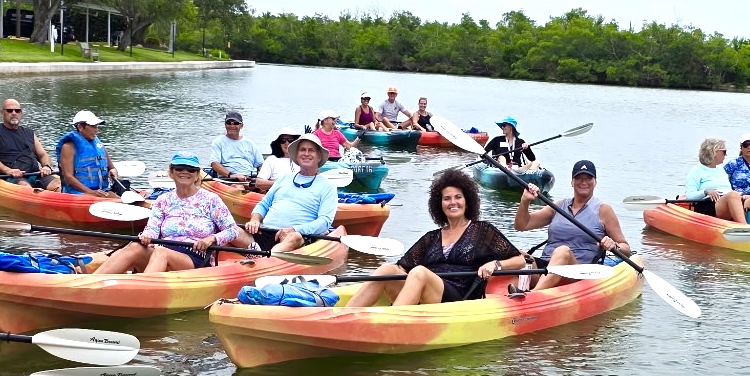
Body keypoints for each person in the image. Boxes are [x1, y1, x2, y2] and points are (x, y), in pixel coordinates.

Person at [347, 168, 526, 308]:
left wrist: (495, 264)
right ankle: (341, 317)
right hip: (426, 293)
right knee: (387, 269)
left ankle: (391, 322)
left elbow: (519, 260)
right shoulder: (431, 238)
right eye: (447, 199)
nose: (453, 202)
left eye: (458, 197)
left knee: (419, 272)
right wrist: (393, 274)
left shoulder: (482, 230)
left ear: (467, 200)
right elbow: (401, 268)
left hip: (459, 299)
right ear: (439, 204)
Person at [95, 153, 243, 273]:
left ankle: (141, 292)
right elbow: (152, 229)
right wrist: (147, 236)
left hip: (196, 257)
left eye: (190, 169)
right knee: (135, 246)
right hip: (163, 251)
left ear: (197, 175)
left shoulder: (211, 199)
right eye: (179, 168)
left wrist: (211, 239)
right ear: (172, 172)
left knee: (161, 253)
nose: (185, 172)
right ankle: (88, 285)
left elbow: (233, 230)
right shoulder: (163, 200)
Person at [513, 160, 638, 288]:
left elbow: (626, 250)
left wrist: (614, 246)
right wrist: (525, 201)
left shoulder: (604, 210)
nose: (583, 182)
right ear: (572, 182)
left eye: (588, 178)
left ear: (595, 182)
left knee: (563, 251)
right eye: (578, 178)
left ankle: (534, 296)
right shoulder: (558, 206)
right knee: (516, 254)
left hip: (578, 274)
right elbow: (522, 225)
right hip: (544, 267)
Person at [243, 132, 347, 254]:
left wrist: (294, 229)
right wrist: (255, 219)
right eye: (302, 150)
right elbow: (263, 205)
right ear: (296, 155)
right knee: (234, 230)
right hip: (265, 232)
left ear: (319, 156)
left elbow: (324, 222)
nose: (306, 154)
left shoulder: (327, 187)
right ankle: (258, 255)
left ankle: (263, 259)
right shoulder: (284, 178)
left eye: (311, 150)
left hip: (296, 238)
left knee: (295, 237)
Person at [684, 137, 750, 228]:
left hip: (729, 203)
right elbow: (689, 196)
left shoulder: (721, 170)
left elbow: (727, 190)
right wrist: (706, 192)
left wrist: (742, 195)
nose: (726, 154)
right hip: (708, 207)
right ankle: (745, 228)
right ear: (713, 152)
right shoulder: (696, 170)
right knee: (733, 195)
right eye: (724, 151)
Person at [0, 99, 60, 191]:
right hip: (9, 176)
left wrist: (46, 166)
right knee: (25, 187)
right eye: (9, 110)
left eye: (17, 110)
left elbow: (43, 154)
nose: (14, 113)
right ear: (2, 113)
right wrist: (9, 170)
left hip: (35, 174)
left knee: (58, 184)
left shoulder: (30, 133)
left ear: (21, 113)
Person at [57, 110, 122, 197]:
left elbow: (112, 168)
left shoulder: (98, 145)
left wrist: (113, 171)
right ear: (80, 127)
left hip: (101, 191)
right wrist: (90, 192)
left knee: (121, 200)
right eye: (93, 126)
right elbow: (69, 177)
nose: (97, 130)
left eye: (97, 126)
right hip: (77, 193)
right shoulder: (68, 147)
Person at [209, 111, 265, 185]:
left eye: (235, 123)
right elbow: (215, 164)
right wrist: (231, 175)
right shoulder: (218, 142)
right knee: (239, 188)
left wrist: (262, 177)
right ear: (225, 125)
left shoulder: (250, 143)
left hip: (249, 179)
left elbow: (260, 165)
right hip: (228, 180)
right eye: (229, 123)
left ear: (241, 126)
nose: (232, 126)